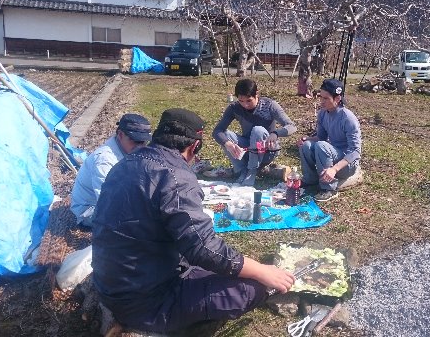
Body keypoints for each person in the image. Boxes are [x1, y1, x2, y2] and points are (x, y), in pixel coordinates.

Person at [91, 108, 295, 334]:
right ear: (193, 147)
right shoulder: (176, 176)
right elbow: (203, 248)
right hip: (145, 301)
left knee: (216, 269)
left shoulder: (124, 163)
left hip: (112, 285)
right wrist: (260, 271)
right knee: (250, 288)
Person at [70, 113, 151, 227]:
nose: (140, 146)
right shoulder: (105, 160)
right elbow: (108, 204)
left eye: (143, 142)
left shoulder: (128, 149)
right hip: (90, 210)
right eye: (135, 141)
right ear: (120, 134)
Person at [212, 79, 297, 186]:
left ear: (257, 94)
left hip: (266, 150)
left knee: (258, 130)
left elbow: (292, 126)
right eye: (241, 101)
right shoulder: (234, 108)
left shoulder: (269, 105)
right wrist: (227, 143)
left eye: (249, 101)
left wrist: (275, 133)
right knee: (226, 135)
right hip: (247, 148)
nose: (245, 105)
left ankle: (251, 171)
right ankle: (242, 170)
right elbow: (217, 131)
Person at [297, 79, 362, 202]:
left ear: (337, 99)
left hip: (347, 164)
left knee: (322, 146)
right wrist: (306, 139)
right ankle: (310, 179)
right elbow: (320, 137)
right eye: (321, 97)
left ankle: (329, 189)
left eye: (326, 98)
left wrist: (334, 169)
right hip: (334, 154)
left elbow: (355, 152)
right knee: (306, 145)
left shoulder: (348, 118)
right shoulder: (323, 114)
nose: (321, 101)